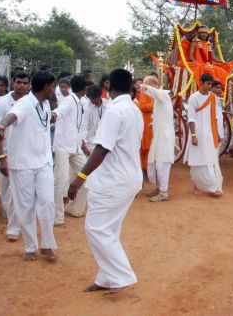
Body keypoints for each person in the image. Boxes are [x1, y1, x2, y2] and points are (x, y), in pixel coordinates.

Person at [67, 68, 143, 295]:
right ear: (131, 86)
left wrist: (79, 178)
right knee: (108, 230)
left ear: (108, 85)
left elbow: (101, 149)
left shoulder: (114, 111)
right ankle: (107, 277)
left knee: (96, 229)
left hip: (114, 181)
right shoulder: (133, 109)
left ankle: (120, 276)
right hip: (127, 178)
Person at [0, 70, 58, 262]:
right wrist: (1, 126)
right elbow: (11, 117)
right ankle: (31, 247)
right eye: (53, 86)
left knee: (48, 202)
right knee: (25, 207)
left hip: (44, 162)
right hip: (22, 163)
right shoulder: (24, 103)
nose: (54, 89)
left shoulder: (46, 104)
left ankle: (47, 245)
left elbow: (47, 121)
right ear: (46, 87)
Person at [0, 71, 31, 241]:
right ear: (12, 83)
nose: (22, 86)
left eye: (25, 83)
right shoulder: (2, 103)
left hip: (23, 155)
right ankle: (12, 219)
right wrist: (1, 158)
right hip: (5, 153)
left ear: (29, 85)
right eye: (19, 82)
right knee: (6, 191)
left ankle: (14, 227)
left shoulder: (32, 103)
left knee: (19, 192)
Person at [53, 75, 88, 224]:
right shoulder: (68, 101)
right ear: (84, 88)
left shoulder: (80, 102)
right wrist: (51, 116)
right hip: (62, 146)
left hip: (75, 146)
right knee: (61, 181)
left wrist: (82, 143)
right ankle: (56, 217)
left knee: (87, 177)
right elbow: (58, 112)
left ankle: (74, 208)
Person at [184, 72, 223, 196]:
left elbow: (217, 117)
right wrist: (194, 136)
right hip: (198, 133)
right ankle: (197, 185)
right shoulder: (193, 98)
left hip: (210, 133)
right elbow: (191, 118)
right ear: (201, 83)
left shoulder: (213, 97)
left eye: (211, 84)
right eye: (208, 84)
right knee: (197, 159)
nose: (210, 86)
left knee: (210, 159)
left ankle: (212, 186)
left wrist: (217, 133)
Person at [141, 76, 175, 202]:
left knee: (162, 163)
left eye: (147, 85)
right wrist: (153, 123)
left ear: (153, 85)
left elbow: (156, 92)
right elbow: (158, 115)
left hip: (165, 137)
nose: (145, 90)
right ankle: (159, 188)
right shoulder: (157, 99)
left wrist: (145, 87)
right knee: (154, 162)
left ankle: (163, 193)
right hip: (158, 136)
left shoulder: (163, 94)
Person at [134, 80, 154, 173]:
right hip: (146, 121)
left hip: (153, 122)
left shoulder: (155, 93)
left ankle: (146, 167)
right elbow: (143, 106)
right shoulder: (144, 93)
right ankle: (143, 168)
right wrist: (155, 105)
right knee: (145, 146)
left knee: (150, 145)